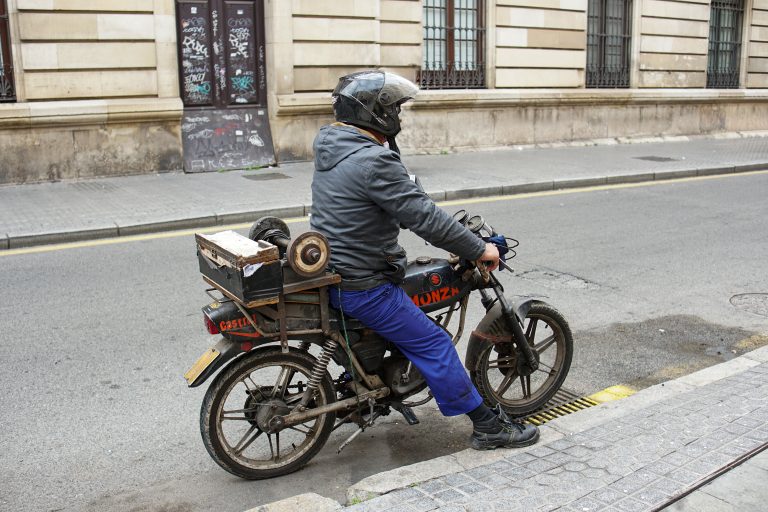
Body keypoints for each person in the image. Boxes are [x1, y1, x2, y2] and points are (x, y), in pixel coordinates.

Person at [309, 70, 539, 450]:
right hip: (363, 282)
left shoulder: (335, 147)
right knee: (434, 344)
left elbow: (397, 206)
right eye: (394, 107)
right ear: (374, 113)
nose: (399, 115)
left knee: (410, 323)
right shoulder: (373, 161)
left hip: (337, 269)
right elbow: (426, 219)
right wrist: (480, 249)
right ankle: (488, 427)